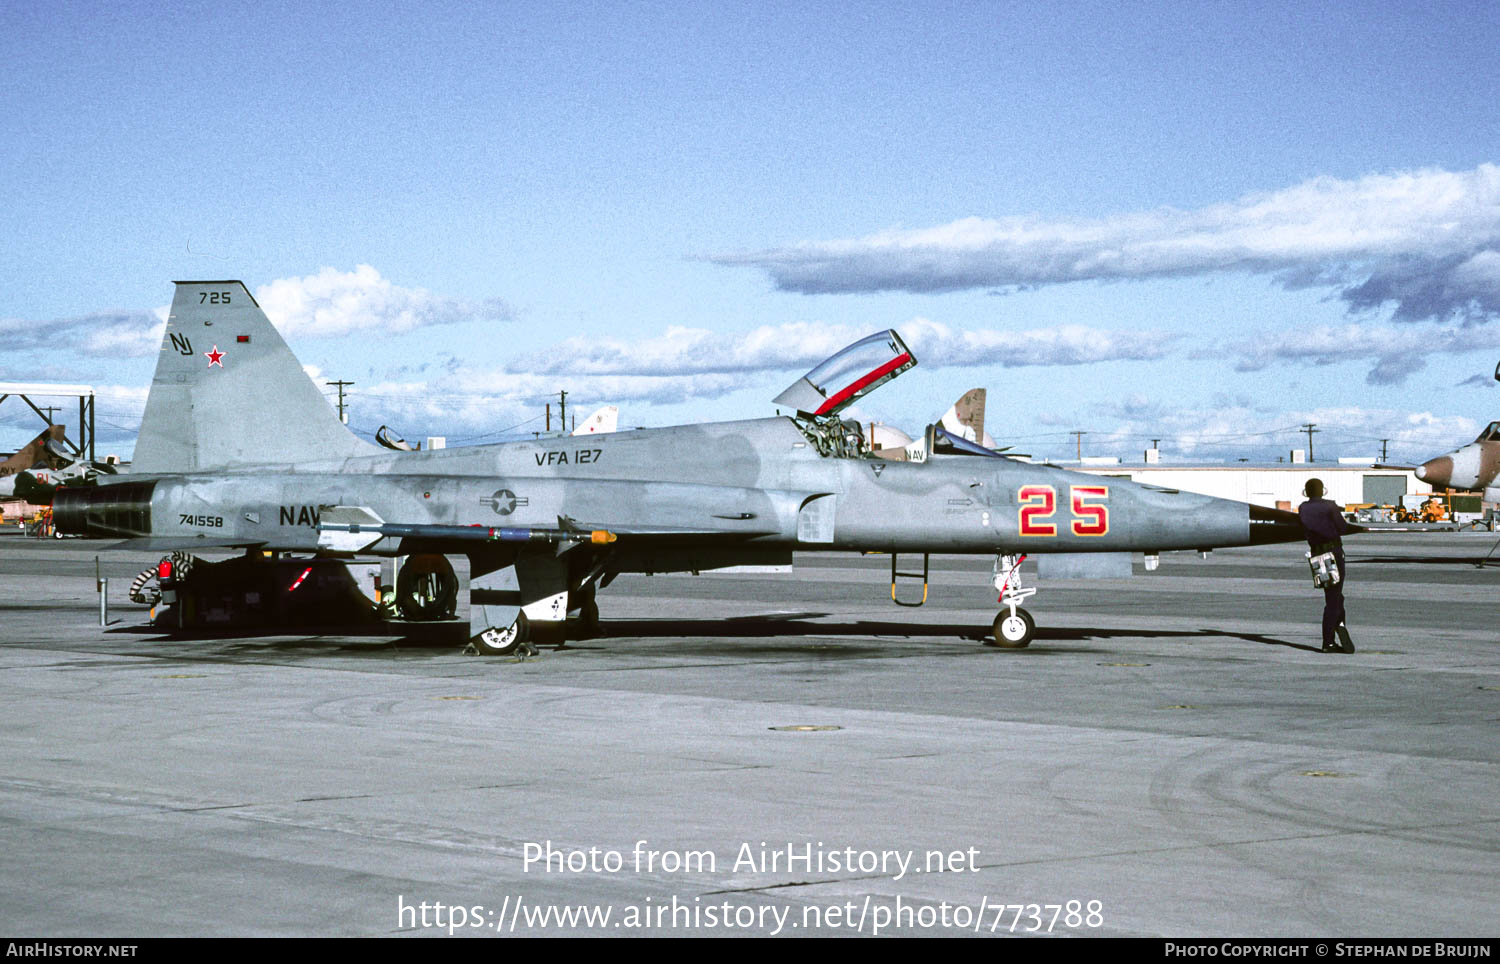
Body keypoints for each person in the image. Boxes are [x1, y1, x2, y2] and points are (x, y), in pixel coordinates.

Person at [1297, 478, 1356, 653]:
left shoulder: (1303, 507)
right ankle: (1329, 639)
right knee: (1333, 597)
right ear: (1323, 490)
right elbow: (1342, 527)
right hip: (1333, 553)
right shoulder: (1330, 506)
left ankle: (1337, 623)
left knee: (1332, 594)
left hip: (1317, 555)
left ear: (1306, 492)